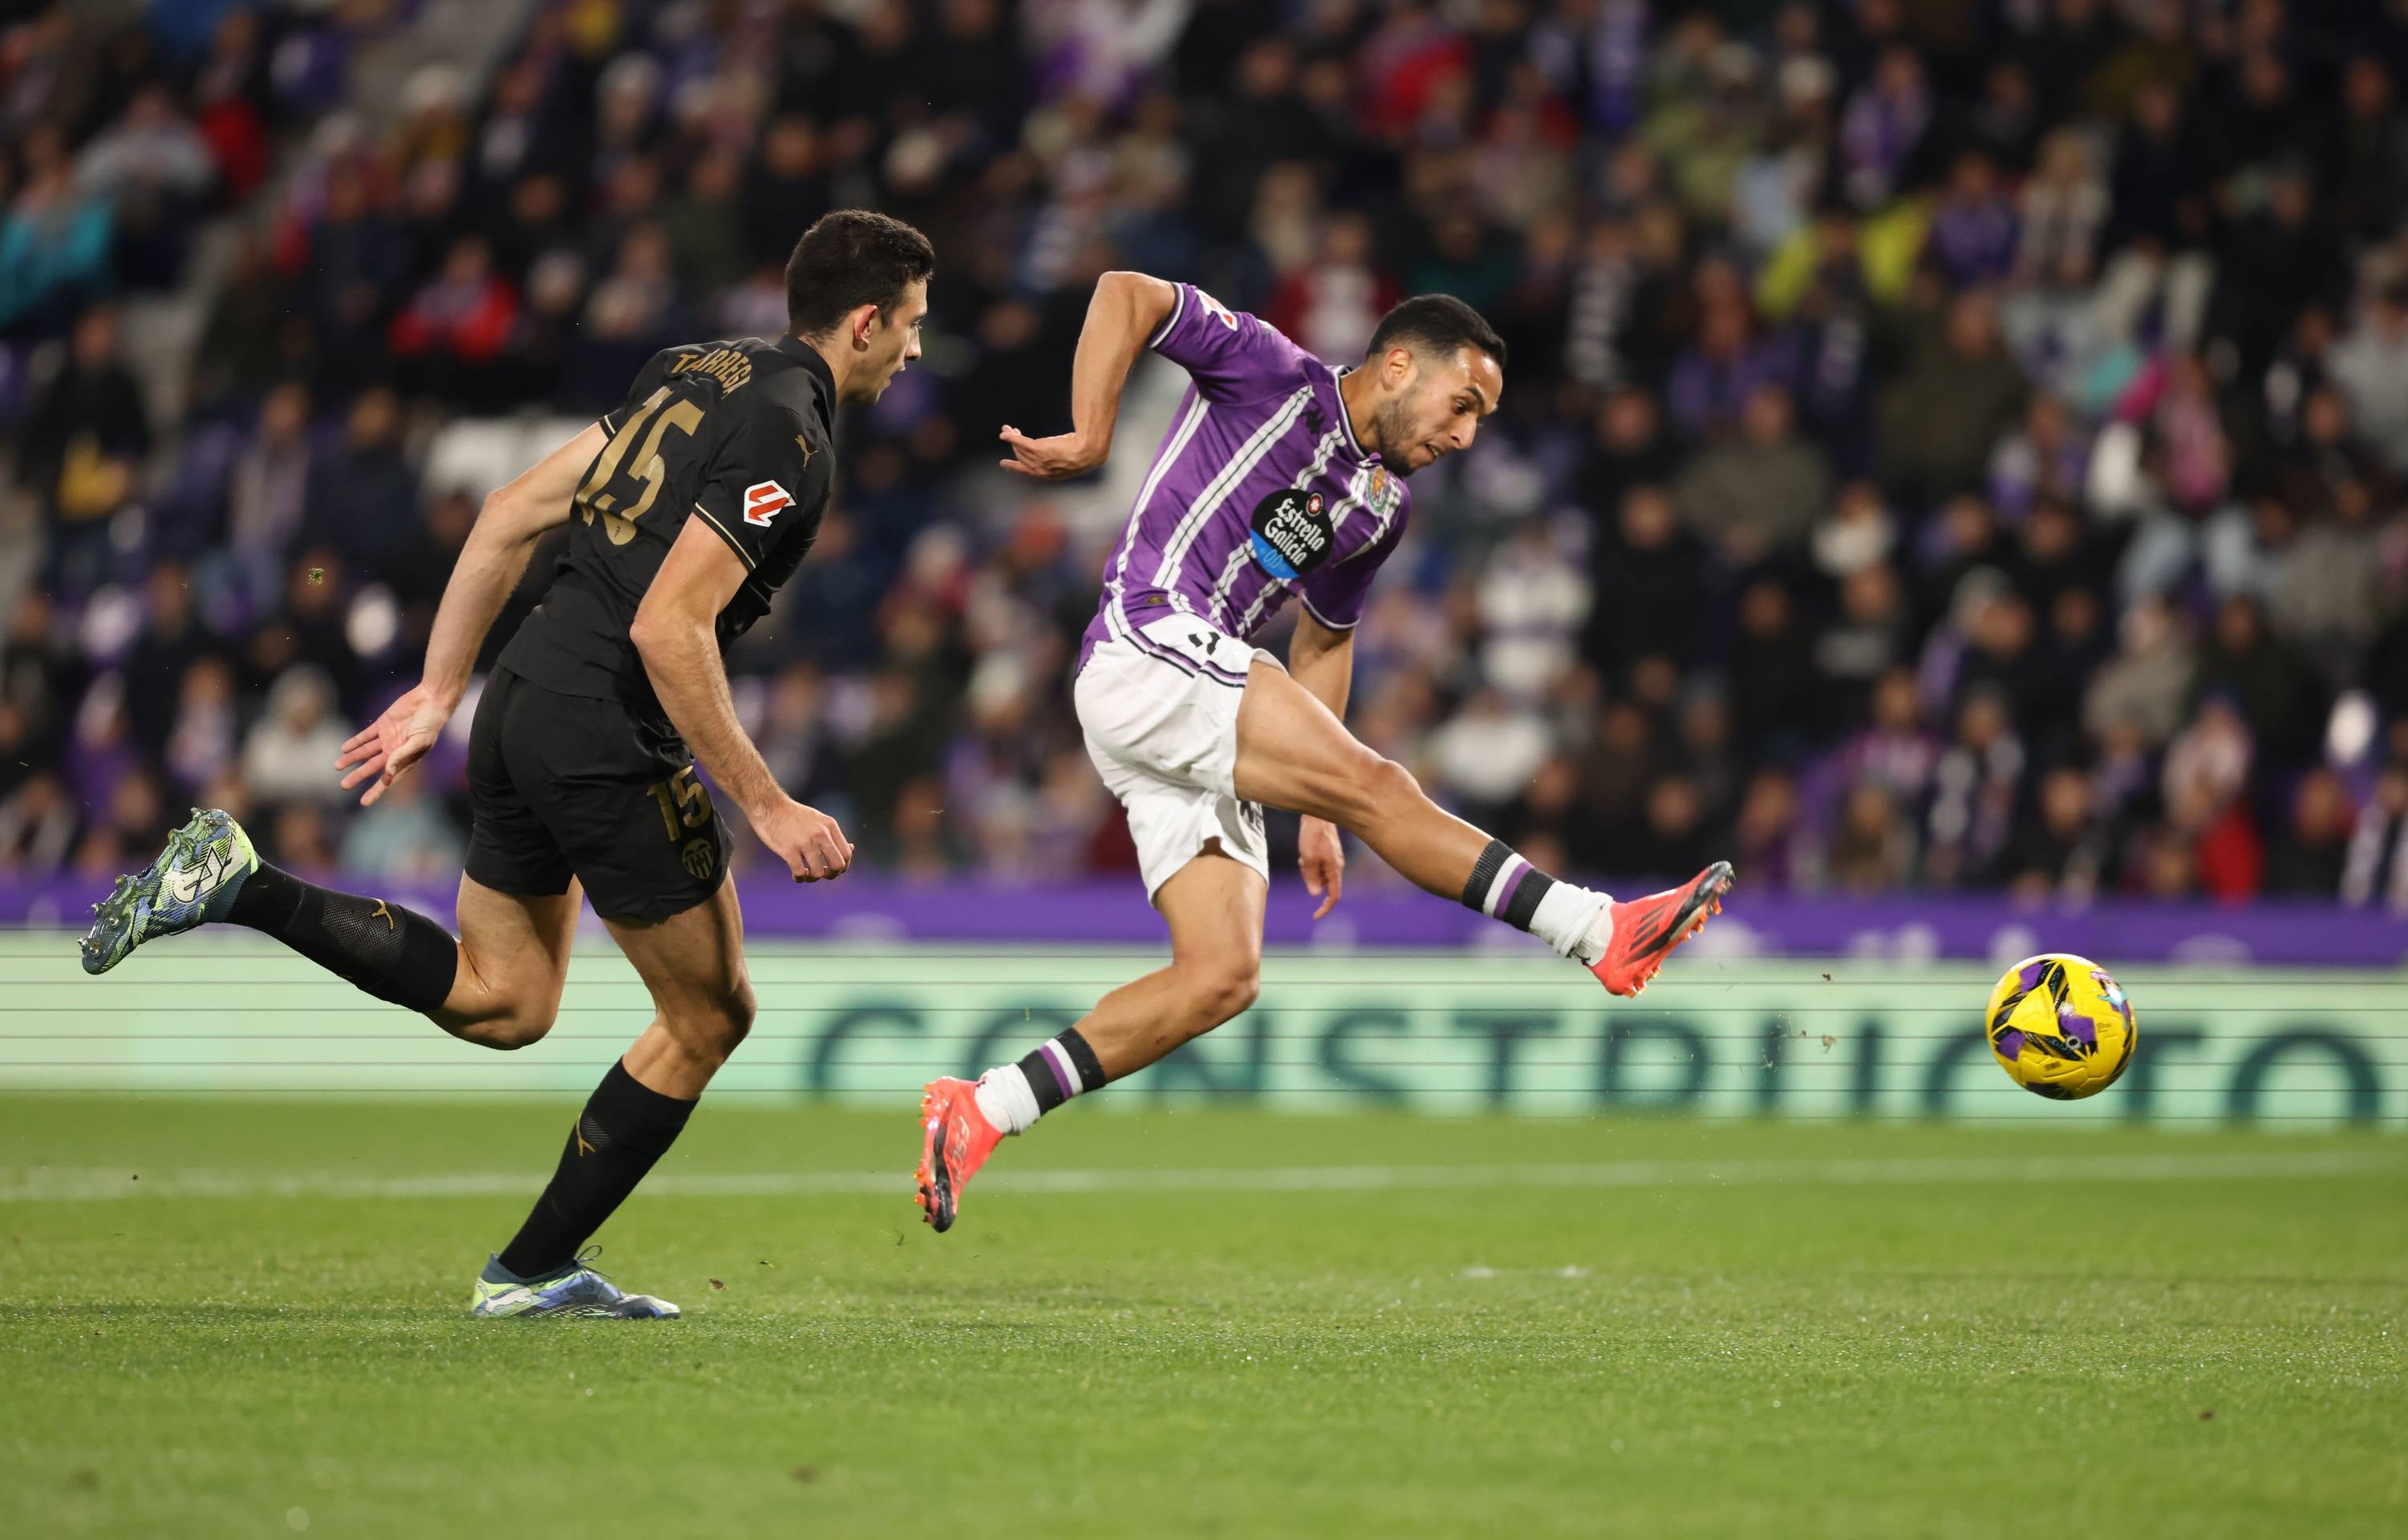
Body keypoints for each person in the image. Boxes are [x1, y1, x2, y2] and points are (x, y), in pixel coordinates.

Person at [79, 210, 935, 1318]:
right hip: (604, 727)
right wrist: (766, 805)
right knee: (711, 1017)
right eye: (910, 325)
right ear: (862, 322)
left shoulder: (696, 369)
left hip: (525, 694)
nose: (915, 351)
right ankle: (526, 1273)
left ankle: (241, 881)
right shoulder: (792, 430)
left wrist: (443, 690)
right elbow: (668, 629)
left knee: (505, 1000)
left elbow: (508, 512)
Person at [913, 276, 1733, 1231]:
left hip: (1186, 700)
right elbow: (1124, 293)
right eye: (1460, 404)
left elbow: (1325, 641)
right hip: (1148, 639)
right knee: (1378, 784)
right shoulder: (1268, 372)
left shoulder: (1378, 510)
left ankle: (980, 1109)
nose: (1466, 435)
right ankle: (1595, 931)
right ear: (1396, 365)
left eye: (1482, 420)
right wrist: (1092, 438)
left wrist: (1314, 809)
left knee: (1220, 976)